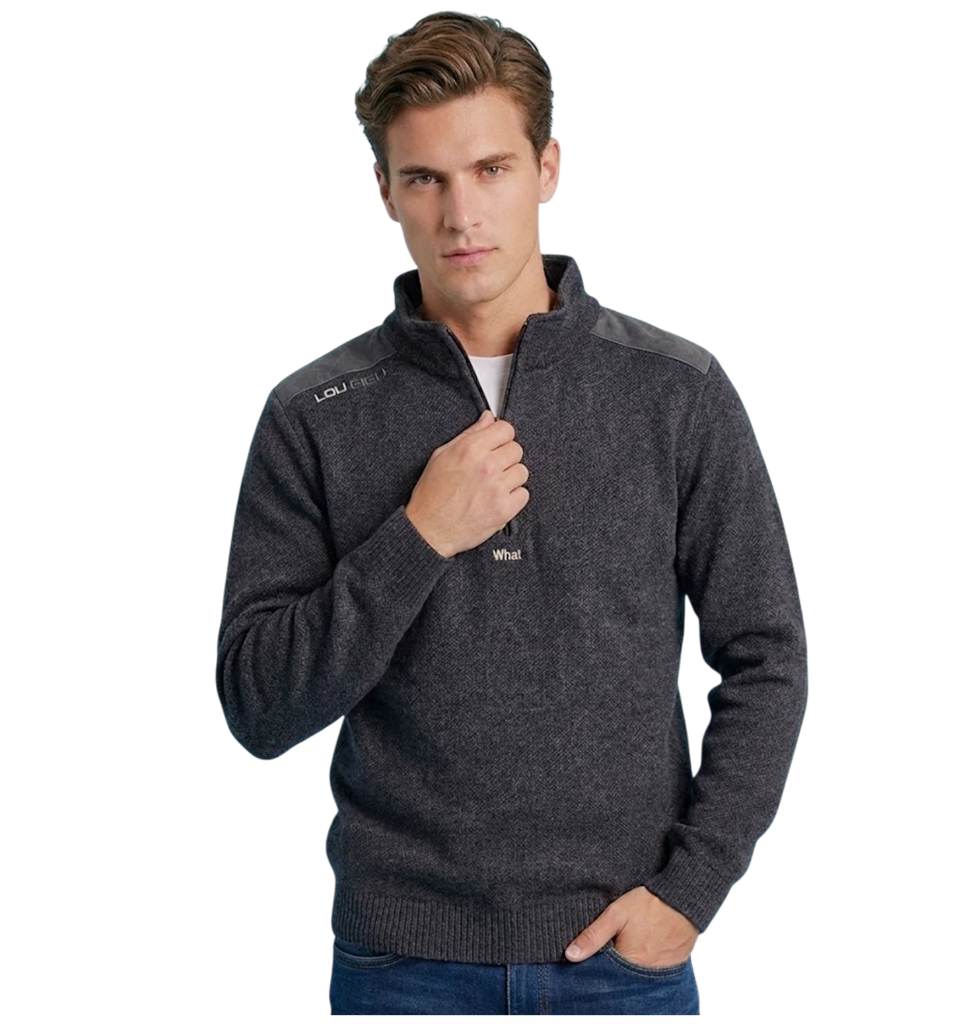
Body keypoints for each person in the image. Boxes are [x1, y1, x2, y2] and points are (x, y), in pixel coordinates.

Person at [216, 9, 807, 1018]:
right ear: (382, 193)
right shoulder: (314, 414)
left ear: (550, 169)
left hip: (623, 963)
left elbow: (764, 655)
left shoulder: (676, 392)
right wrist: (417, 538)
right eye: (425, 179)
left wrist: (691, 889)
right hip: (402, 968)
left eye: (490, 169)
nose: (461, 215)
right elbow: (259, 706)